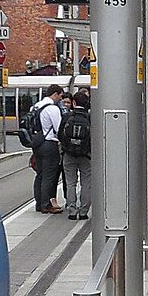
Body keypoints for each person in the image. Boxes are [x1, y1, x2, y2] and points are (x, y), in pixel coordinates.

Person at [23, 84, 65, 214]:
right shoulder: (52, 108)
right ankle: (46, 204)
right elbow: (58, 128)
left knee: (40, 174)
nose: (61, 99)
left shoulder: (36, 106)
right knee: (49, 175)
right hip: (49, 144)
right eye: (60, 96)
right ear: (55, 94)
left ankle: (39, 203)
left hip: (37, 143)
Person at [59, 87, 92, 220]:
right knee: (86, 183)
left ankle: (72, 210)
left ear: (73, 103)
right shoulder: (90, 117)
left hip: (69, 154)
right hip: (86, 155)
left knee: (71, 182)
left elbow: (60, 134)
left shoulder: (67, 117)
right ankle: (84, 211)